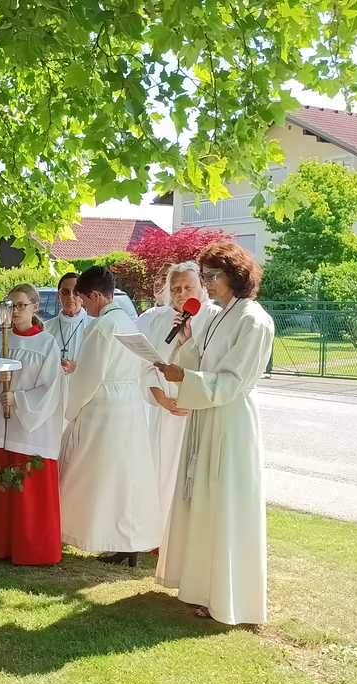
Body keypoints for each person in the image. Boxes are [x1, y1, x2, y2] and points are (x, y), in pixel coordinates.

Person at [154, 241, 274, 625]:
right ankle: (200, 586)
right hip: (206, 415)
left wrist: (186, 377)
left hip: (229, 418)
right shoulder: (222, 315)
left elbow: (233, 380)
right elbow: (204, 362)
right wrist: (186, 344)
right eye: (204, 276)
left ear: (235, 275)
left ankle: (226, 596)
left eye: (212, 276)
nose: (206, 283)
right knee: (202, 500)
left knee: (223, 504)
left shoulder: (253, 320)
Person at [58, 267, 161, 566]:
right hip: (129, 406)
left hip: (103, 407)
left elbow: (89, 376)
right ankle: (127, 541)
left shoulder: (102, 326)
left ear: (95, 296)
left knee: (91, 474)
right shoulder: (127, 321)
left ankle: (96, 534)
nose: (83, 306)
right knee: (125, 476)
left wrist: (70, 409)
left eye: (83, 299)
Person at [0, 283, 64, 566]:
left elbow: (51, 388)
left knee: (28, 492)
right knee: (3, 488)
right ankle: (1, 545)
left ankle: (33, 550)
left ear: (35, 307)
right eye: (10, 306)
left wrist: (16, 398)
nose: (15, 311)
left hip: (31, 428)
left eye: (21, 305)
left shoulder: (46, 344)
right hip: (2, 428)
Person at [136, 261, 216, 526]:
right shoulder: (162, 320)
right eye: (176, 289)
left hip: (196, 413)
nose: (181, 294)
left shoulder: (214, 319)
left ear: (202, 286)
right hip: (166, 411)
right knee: (160, 475)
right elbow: (149, 364)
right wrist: (162, 399)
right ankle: (156, 532)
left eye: (187, 287)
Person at [47, 273, 88, 374]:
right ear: (58, 297)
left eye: (76, 292)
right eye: (65, 292)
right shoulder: (46, 328)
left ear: (83, 296)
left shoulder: (94, 326)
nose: (70, 296)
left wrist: (77, 369)